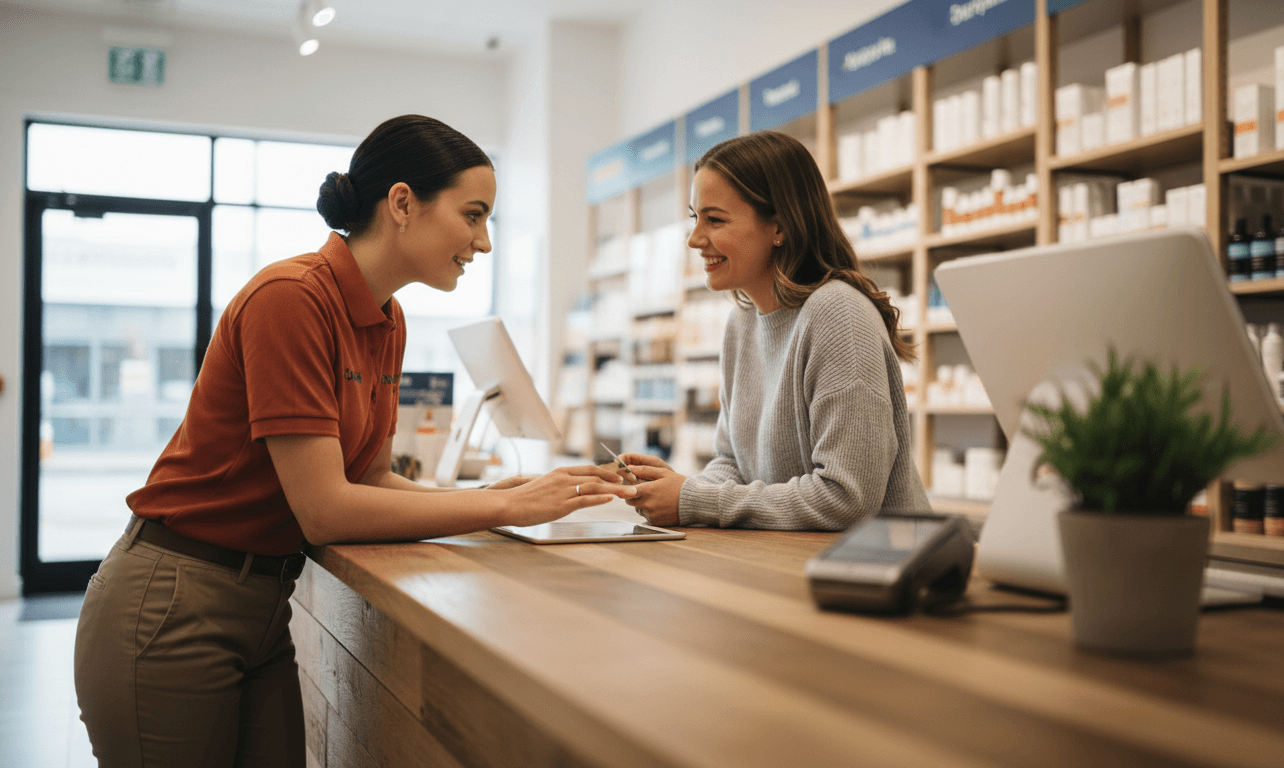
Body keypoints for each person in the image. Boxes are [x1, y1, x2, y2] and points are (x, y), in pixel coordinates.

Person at [73, 114, 633, 768]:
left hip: (263, 604)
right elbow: (326, 510)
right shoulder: (291, 298)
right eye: (473, 215)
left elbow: (367, 479)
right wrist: (502, 508)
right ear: (402, 203)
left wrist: (485, 494)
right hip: (176, 600)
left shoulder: (386, 316)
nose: (482, 243)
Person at [620, 130, 930, 530]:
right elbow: (732, 463)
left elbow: (847, 497)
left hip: (877, 565)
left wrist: (694, 500)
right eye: (695, 218)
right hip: (788, 560)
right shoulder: (741, 324)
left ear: (779, 227)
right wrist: (676, 490)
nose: (695, 239)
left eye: (715, 219)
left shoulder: (838, 314)